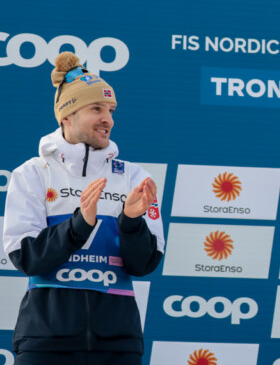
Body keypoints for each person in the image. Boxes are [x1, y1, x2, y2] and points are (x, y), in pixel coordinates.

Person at [2, 52, 165, 365]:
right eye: (96, 109)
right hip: (45, 342)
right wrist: (79, 226)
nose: (108, 119)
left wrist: (131, 222)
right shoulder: (33, 173)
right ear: (67, 115)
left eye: (111, 110)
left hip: (118, 345)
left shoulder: (134, 177)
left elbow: (143, 265)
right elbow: (26, 257)